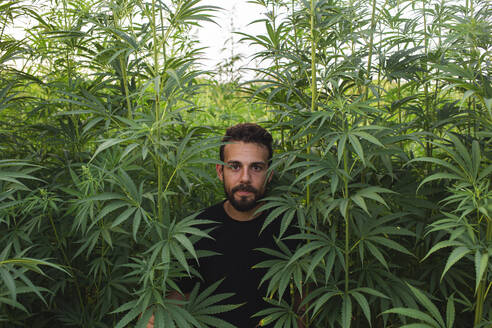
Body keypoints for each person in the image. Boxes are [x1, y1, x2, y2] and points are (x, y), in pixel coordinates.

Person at [147, 123, 300, 328]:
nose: (245, 178)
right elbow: (177, 299)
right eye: (234, 166)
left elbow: (304, 306)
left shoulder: (290, 226)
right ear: (220, 171)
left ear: (269, 175)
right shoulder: (195, 230)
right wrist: (156, 317)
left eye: (256, 167)